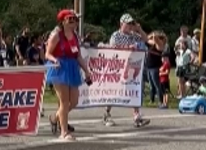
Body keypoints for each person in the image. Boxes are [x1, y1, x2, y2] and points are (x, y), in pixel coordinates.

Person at [44, 9, 90, 141]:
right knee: (64, 102)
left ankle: (55, 117)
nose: (74, 22)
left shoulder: (75, 36)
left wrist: (86, 71)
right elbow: (48, 53)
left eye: (75, 19)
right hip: (60, 69)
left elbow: (78, 56)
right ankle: (63, 132)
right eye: (70, 19)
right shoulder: (57, 35)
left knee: (74, 101)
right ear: (63, 21)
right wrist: (54, 60)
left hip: (72, 68)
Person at [100, 14, 151, 128]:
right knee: (114, 92)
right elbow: (114, 48)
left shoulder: (134, 35)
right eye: (127, 24)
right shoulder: (116, 35)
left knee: (134, 90)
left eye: (131, 23)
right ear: (121, 24)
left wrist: (139, 29)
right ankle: (106, 114)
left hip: (132, 68)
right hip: (118, 69)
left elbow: (146, 39)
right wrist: (129, 47)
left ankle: (137, 117)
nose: (129, 26)